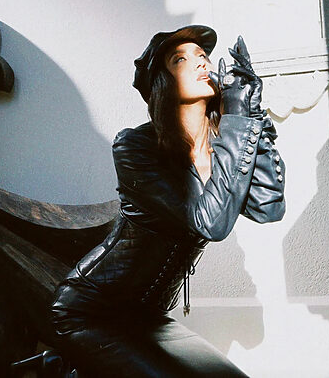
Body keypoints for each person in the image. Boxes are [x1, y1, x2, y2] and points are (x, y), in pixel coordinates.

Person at [49, 25, 286, 377]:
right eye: (180, 59)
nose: (200, 63)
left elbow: (268, 206)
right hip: (92, 313)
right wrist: (237, 121)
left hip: (150, 316)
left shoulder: (222, 145)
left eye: (202, 56)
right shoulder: (135, 147)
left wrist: (252, 117)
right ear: (162, 84)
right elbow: (210, 223)